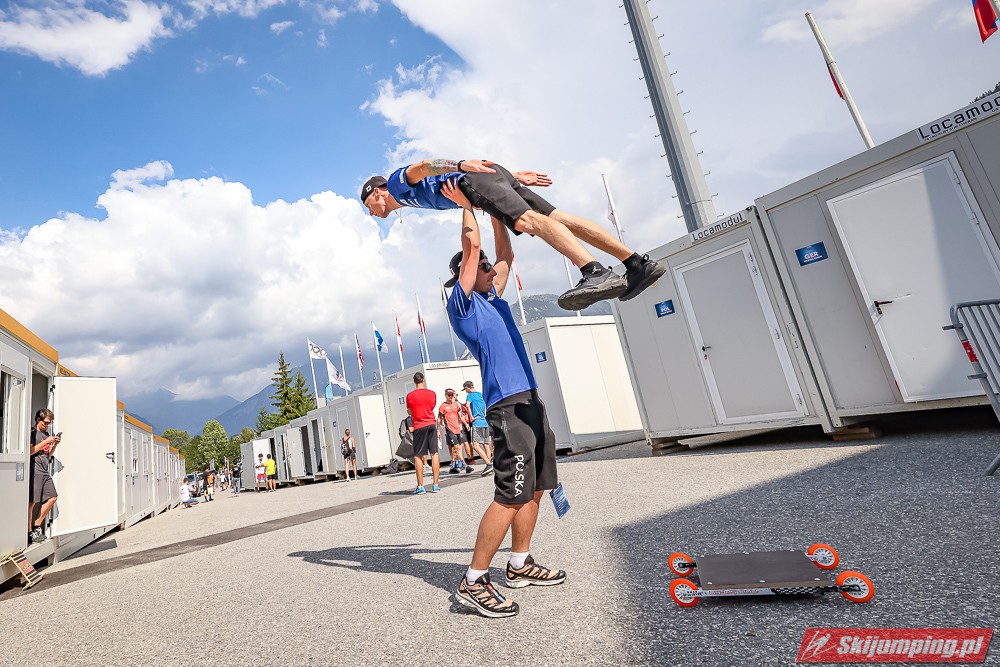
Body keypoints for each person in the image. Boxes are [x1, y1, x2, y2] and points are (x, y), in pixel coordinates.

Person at [441, 179, 566, 619]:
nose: (491, 270)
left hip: (530, 400)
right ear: (466, 274)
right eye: (482, 268)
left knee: (538, 485)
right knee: (511, 494)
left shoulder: (494, 299)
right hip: (506, 407)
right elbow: (472, 248)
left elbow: (505, 254)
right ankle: (474, 580)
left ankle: (519, 563)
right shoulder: (463, 307)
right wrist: (467, 203)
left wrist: (498, 211)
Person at [360, 159, 665, 311]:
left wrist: (461, 164)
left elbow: (425, 166)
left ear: (376, 193)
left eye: (368, 206)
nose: (371, 214)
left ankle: (595, 271)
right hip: (490, 175)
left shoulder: (397, 184)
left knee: (528, 221)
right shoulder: (408, 200)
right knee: (558, 219)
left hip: (472, 180)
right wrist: (513, 177)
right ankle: (636, 264)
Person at [28, 409, 60, 544]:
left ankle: (36, 525)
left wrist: (54, 445)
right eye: (46, 423)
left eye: (49, 423)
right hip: (34, 471)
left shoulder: (46, 434)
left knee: (53, 497)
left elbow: (48, 455)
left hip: (44, 471)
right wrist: (46, 442)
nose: (47, 425)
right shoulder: (32, 433)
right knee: (32, 502)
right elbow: (30, 451)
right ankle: (30, 532)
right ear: (38, 420)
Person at [405, 372, 440, 495]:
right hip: (431, 424)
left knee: (418, 456)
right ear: (423, 380)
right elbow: (432, 406)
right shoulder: (432, 393)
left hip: (419, 425)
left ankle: (420, 486)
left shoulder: (410, 396)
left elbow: (410, 411)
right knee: (434, 453)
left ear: (414, 381)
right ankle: (435, 485)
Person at [462, 380, 495, 477]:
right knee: (486, 445)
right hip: (484, 422)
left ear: (468, 388)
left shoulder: (470, 396)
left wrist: (471, 417)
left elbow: (467, 406)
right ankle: (489, 465)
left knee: (475, 445)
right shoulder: (481, 395)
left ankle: (488, 464)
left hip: (477, 422)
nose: (466, 391)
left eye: (465, 389)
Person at [438, 389, 474, 475]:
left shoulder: (456, 405)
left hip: (457, 429)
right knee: (456, 447)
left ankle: (452, 467)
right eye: (449, 395)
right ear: (445, 395)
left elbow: (460, 416)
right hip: (449, 430)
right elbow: (439, 419)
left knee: (458, 448)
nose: (450, 397)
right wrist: (438, 429)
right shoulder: (442, 406)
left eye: (452, 395)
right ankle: (465, 465)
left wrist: (466, 424)